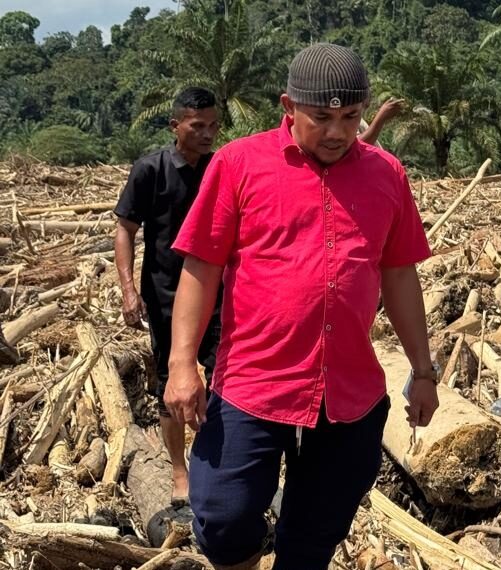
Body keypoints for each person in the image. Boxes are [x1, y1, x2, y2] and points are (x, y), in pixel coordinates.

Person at [164, 43, 439, 570]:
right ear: (289, 107)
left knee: (315, 532)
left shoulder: (386, 174)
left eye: (351, 117)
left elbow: (400, 275)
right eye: (321, 118)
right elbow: (201, 267)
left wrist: (423, 372)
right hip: (255, 379)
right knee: (223, 514)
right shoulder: (238, 164)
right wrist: (182, 364)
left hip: (349, 389)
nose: (337, 132)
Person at [113, 87, 221, 505]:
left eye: (213, 126)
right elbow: (125, 229)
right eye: (197, 126)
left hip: (218, 292)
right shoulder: (150, 170)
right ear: (176, 125)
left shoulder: (220, 168)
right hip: (165, 295)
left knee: (224, 374)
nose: (207, 134)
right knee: (170, 379)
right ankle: (179, 471)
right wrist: (128, 290)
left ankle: (217, 462)